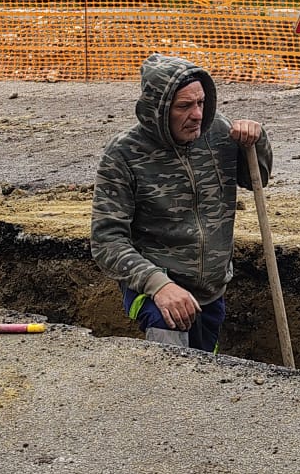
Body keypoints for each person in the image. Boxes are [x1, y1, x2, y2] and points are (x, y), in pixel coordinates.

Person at [91, 54, 272, 352]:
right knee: (172, 371)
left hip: (211, 288)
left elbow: (257, 179)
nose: (198, 114)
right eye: (184, 106)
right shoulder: (124, 154)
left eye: (201, 103)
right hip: (156, 286)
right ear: (158, 110)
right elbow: (106, 241)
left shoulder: (218, 134)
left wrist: (257, 141)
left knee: (205, 367)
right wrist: (158, 285)